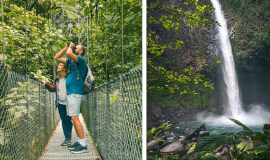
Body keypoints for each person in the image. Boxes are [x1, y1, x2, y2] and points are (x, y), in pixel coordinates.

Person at [54, 42, 88, 154]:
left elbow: (69, 53)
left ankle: (83, 144)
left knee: (74, 118)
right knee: (74, 118)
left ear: (81, 51)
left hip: (75, 93)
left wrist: (70, 47)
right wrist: (65, 48)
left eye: (76, 48)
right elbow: (57, 57)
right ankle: (79, 142)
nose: (74, 49)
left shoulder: (81, 60)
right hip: (71, 94)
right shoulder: (72, 62)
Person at [44, 63, 73, 146]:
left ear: (64, 68)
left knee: (68, 120)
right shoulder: (57, 78)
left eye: (60, 65)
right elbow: (53, 89)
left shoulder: (70, 77)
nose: (58, 66)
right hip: (60, 102)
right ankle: (67, 138)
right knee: (64, 120)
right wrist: (46, 85)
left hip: (69, 102)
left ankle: (69, 132)